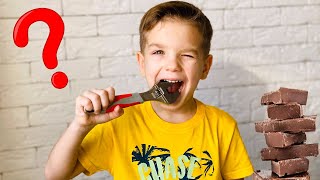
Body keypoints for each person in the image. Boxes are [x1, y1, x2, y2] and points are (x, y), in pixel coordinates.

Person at [45, 1, 254, 179]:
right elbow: (55, 175)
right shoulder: (118, 123)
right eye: (159, 52)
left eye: (187, 55)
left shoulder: (222, 126)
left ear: (205, 67)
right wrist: (80, 126)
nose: (172, 65)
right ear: (142, 63)